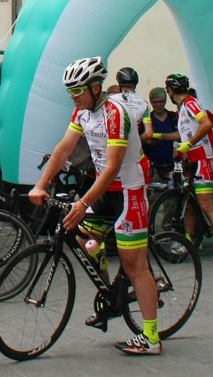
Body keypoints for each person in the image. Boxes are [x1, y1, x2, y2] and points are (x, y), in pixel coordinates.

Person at [29, 57, 161, 355]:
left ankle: (151, 337)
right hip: (103, 190)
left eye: (77, 91)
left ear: (96, 87)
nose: (73, 97)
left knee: (135, 265)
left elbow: (114, 167)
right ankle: (112, 292)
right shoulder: (83, 111)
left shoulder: (116, 114)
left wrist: (82, 202)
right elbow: (63, 148)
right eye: (70, 92)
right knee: (79, 236)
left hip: (128, 190)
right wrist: (40, 183)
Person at [165, 73, 213, 264]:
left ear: (170, 91)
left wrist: (191, 143)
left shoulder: (190, 103)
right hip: (190, 161)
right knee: (188, 204)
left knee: (205, 205)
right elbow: (181, 134)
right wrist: (158, 135)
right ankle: (189, 243)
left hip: (201, 159)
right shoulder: (182, 109)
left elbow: (207, 124)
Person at [114, 66, 153, 182]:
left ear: (120, 83)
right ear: (135, 84)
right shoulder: (144, 104)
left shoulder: (111, 100)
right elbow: (149, 133)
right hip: (134, 155)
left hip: (114, 152)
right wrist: (135, 141)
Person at [144, 87, 179, 184]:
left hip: (173, 165)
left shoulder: (173, 118)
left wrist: (154, 135)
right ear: (151, 102)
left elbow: (179, 136)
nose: (158, 105)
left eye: (161, 101)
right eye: (155, 102)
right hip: (154, 167)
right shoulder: (147, 120)